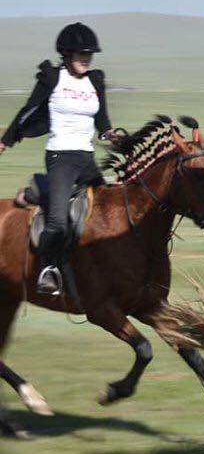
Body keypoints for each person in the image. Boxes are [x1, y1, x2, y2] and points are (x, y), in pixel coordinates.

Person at [0, 23, 118, 296]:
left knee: (110, 208)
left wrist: (110, 134)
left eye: (90, 54)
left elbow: (101, 118)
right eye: (81, 54)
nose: (86, 58)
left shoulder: (95, 80)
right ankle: (48, 269)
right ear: (66, 54)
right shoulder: (53, 78)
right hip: (60, 157)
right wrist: (6, 141)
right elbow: (27, 110)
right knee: (57, 221)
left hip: (86, 159)